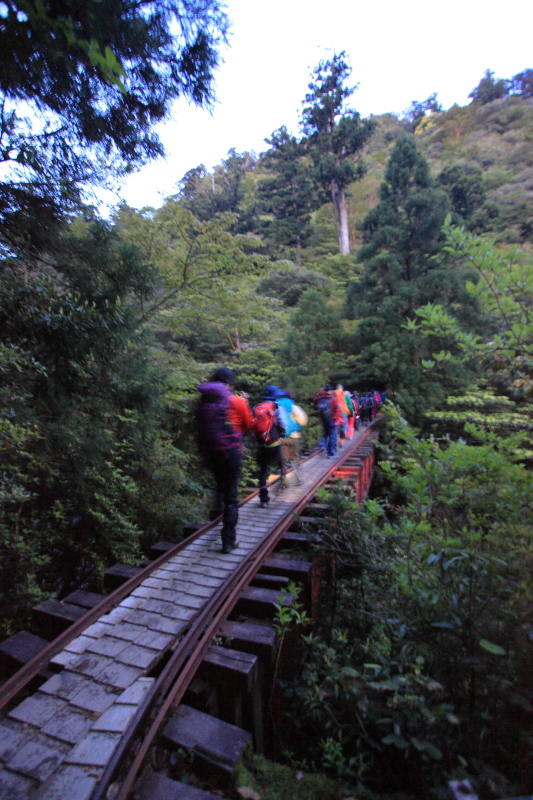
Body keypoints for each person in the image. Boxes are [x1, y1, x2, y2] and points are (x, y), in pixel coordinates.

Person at [196, 367, 252, 554]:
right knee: (231, 495)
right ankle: (228, 539)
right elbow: (248, 424)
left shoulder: (203, 401)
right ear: (229, 383)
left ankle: (215, 515)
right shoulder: (234, 400)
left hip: (211, 452)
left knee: (220, 484)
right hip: (230, 451)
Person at [252, 385, 285, 508]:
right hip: (274, 443)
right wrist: (283, 433)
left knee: (263, 471)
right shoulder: (276, 407)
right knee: (281, 463)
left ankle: (263, 498)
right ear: (274, 396)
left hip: (261, 444)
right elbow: (282, 423)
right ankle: (282, 486)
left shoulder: (256, 407)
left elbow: (252, 425)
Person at [277, 390, 308, 476]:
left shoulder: (276, 406)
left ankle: (283, 481)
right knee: (295, 457)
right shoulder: (293, 406)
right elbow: (302, 421)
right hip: (293, 435)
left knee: (283, 460)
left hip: (280, 437)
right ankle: (298, 478)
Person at [313, 384, 341, 458]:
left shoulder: (320, 398)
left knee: (325, 433)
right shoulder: (333, 399)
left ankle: (323, 445)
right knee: (332, 436)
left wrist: (320, 393)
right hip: (331, 419)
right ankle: (331, 453)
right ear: (331, 390)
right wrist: (336, 419)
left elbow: (314, 401)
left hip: (323, 419)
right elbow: (337, 410)